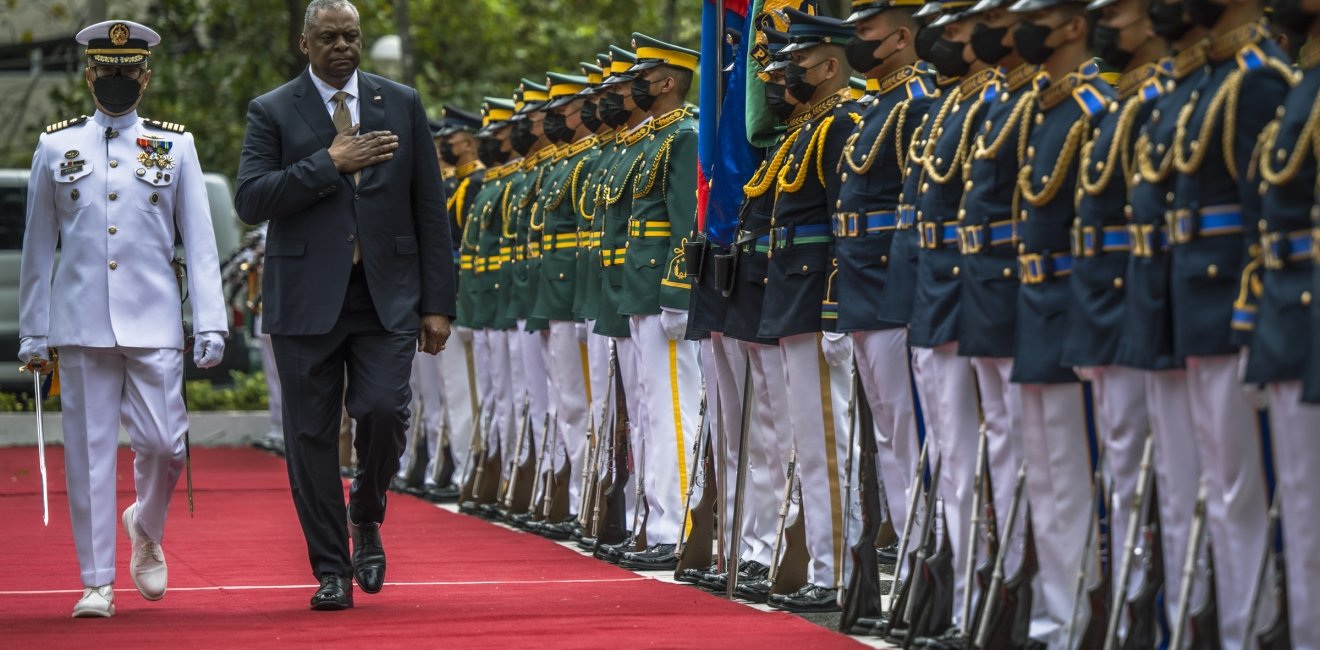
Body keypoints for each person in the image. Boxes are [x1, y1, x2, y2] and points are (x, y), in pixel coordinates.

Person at [234, 0, 454, 611]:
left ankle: (367, 513)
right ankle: (331, 568)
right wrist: (327, 163)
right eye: (328, 37)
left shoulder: (400, 102)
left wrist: (438, 304)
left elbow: (429, 210)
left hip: (387, 297)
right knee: (309, 438)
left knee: (383, 411)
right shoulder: (273, 110)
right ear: (306, 44)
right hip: (306, 300)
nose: (342, 47)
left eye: (351, 36)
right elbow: (251, 199)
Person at [18, 19, 228, 618]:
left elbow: (201, 241)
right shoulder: (56, 146)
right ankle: (96, 581)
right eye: (106, 72)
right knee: (87, 453)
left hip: (155, 319)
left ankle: (146, 522)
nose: (116, 80)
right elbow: (39, 245)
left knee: (167, 445)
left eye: (127, 72)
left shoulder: (175, 145)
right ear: (89, 75)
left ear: (145, 76)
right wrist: (34, 331)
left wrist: (209, 321)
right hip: (81, 320)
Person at [1007, 0, 1115, 643]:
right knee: (1046, 473)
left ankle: (1093, 616)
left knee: (1087, 472)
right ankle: (1057, 618)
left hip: (1081, 305)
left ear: (1075, 24)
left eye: (1038, 16)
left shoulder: (1092, 107)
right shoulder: (1042, 110)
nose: (1023, 29)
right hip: (1033, 304)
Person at [757, 8, 861, 613]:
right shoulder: (804, 129)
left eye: (795, 62)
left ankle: (842, 571)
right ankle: (828, 564)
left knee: (828, 441)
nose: (783, 73)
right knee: (809, 442)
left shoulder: (843, 123)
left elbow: (846, 223)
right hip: (791, 299)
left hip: (817, 301)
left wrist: (833, 307)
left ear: (827, 66)